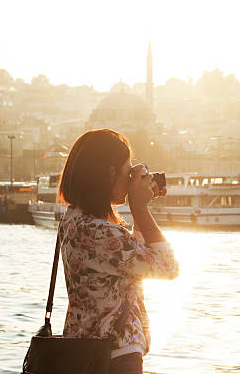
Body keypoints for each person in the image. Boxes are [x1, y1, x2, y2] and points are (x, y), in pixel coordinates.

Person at [57, 129, 179, 374]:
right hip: (116, 354)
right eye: (128, 170)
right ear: (111, 173)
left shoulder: (73, 221)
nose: (131, 178)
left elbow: (129, 260)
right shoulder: (100, 231)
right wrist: (139, 207)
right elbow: (168, 268)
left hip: (81, 351)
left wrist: (136, 208)